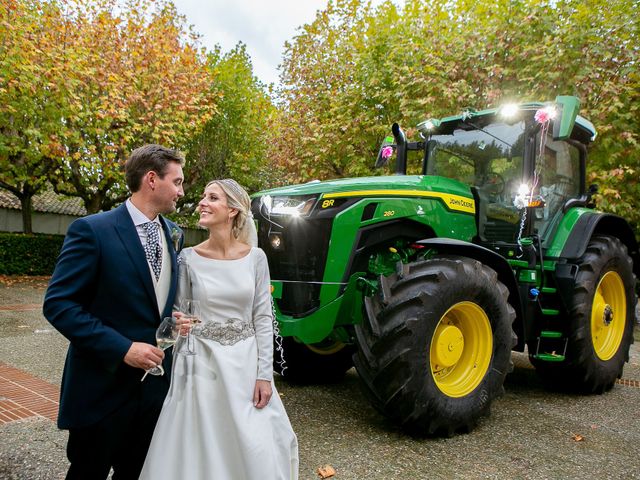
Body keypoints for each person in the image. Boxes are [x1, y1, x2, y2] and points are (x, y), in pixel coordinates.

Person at [43, 144, 186, 479]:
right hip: (101, 390)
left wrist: (174, 320)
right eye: (177, 182)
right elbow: (59, 304)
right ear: (152, 179)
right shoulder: (92, 230)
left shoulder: (174, 235)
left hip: (152, 395)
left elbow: (156, 302)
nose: (182, 191)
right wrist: (122, 348)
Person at [140, 179, 299, 480]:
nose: (201, 202)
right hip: (199, 363)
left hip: (245, 363)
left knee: (254, 442)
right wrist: (176, 323)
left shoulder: (256, 258)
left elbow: (263, 319)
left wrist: (264, 375)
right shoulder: (187, 258)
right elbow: (177, 313)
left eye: (212, 198)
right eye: (203, 196)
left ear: (233, 211)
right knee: (200, 441)